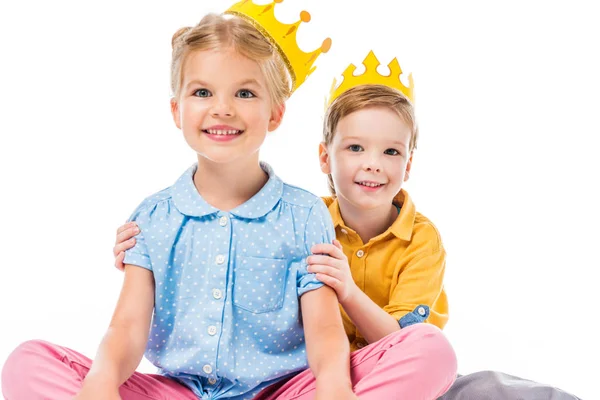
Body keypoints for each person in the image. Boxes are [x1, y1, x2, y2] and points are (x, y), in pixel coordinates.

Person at [1, 3, 457, 400]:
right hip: (179, 390)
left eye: (244, 93)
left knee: (430, 350)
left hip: (284, 390)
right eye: (202, 92)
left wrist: (334, 387)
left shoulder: (304, 215)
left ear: (275, 113)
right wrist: (100, 381)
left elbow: (323, 331)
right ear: (176, 110)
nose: (222, 108)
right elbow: (126, 330)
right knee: (26, 363)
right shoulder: (153, 217)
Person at [114, 47, 581, 399]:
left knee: (469, 377)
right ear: (325, 157)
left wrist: (349, 293)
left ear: (409, 163)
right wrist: (149, 248)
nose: (373, 165)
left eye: (390, 152)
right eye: (355, 148)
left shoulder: (421, 240)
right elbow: (225, 254)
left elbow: (404, 341)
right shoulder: (299, 217)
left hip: (385, 370)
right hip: (302, 380)